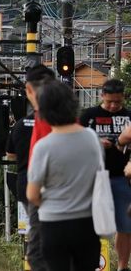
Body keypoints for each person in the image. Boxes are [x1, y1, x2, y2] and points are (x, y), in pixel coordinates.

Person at [27, 80, 102, 271]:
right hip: (87, 223)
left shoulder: (43, 147)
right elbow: (98, 175)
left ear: (44, 111)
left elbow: (32, 195)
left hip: (54, 224)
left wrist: (53, 202)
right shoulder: (92, 139)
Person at [81, 79, 131, 271]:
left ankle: (122, 266)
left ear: (123, 98)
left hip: (122, 178)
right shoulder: (89, 115)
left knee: (125, 226)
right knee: (90, 223)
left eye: (117, 102)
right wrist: (95, 141)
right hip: (94, 177)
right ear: (102, 96)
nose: (113, 106)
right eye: (109, 101)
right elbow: (76, 139)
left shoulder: (128, 116)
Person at [22, 64, 55, 271]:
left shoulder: (44, 117)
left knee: (38, 256)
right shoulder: (73, 120)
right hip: (71, 200)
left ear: (28, 90)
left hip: (46, 196)